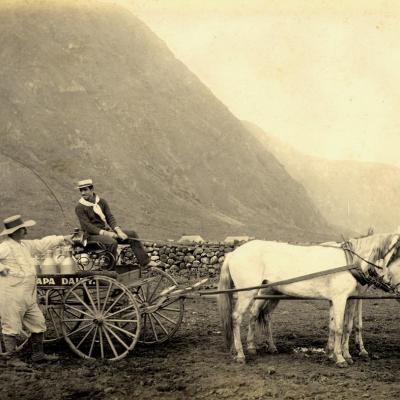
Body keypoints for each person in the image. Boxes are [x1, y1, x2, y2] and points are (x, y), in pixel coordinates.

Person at [0, 215, 72, 367]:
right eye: (22, 229)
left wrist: (62, 238)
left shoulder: (24, 245)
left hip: (28, 293)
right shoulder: (5, 247)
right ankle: (11, 359)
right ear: (14, 232)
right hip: (11, 294)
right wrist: (4, 271)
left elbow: (41, 243)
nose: (25, 231)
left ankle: (38, 354)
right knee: (11, 325)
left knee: (38, 322)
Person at [74, 179, 154, 268]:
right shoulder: (79, 207)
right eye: (81, 190)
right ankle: (109, 269)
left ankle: (145, 262)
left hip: (103, 233)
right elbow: (87, 226)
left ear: (92, 189)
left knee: (132, 234)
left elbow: (109, 217)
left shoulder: (101, 202)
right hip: (90, 236)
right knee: (112, 242)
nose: (82, 193)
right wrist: (106, 233)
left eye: (85, 190)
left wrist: (118, 231)